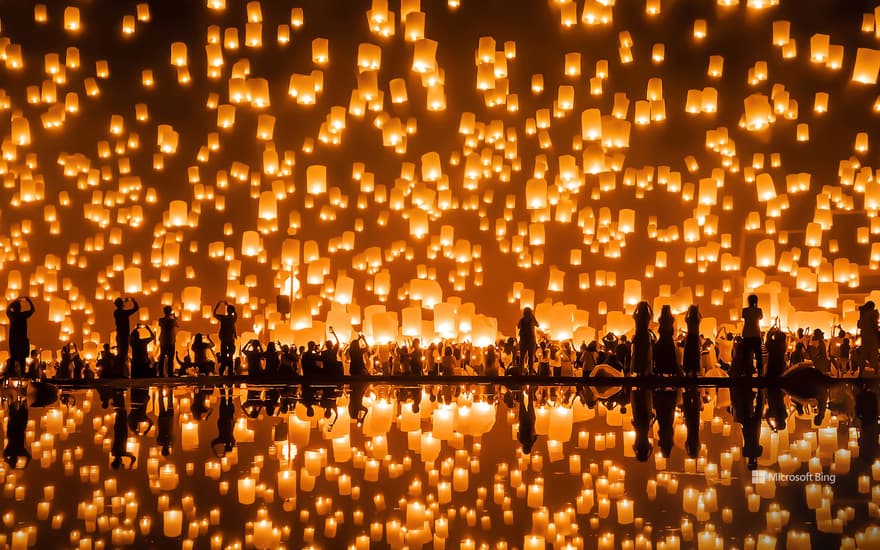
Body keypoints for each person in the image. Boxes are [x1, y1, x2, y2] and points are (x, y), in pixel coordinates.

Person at [6, 297, 35, 377]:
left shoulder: (12, 315)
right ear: (19, 308)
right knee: (21, 359)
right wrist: (29, 301)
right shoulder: (22, 315)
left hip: (15, 341)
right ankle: (21, 374)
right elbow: (33, 310)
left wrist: (15, 300)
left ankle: (12, 373)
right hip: (20, 341)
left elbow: (7, 309)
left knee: (14, 358)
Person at [113, 297, 139, 372]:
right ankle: (121, 371)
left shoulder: (116, 312)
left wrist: (124, 301)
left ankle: (120, 371)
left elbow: (118, 304)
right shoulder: (124, 313)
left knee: (120, 352)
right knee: (123, 353)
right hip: (124, 334)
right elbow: (136, 308)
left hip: (119, 334)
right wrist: (133, 300)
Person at [741, 294, 764, 375]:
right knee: (758, 355)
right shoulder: (759, 310)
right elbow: (761, 317)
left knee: (746, 356)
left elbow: (744, 317)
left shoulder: (745, 310)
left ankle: (747, 372)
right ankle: (760, 372)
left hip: (747, 335)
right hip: (756, 334)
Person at [214, 301, 237, 375]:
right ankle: (230, 371)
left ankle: (222, 372)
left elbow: (214, 314)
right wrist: (228, 305)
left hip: (224, 339)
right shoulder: (232, 319)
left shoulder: (223, 318)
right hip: (230, 339)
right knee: (230, 355)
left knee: (224, 356)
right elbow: (236, 314)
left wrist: (218, 304)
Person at [157, 306, 179, 377]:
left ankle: (161, 373)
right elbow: (177, 325)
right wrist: (174, 317)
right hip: (170, 340)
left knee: (162, 357)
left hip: (163, 340)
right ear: (170, 312)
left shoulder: (161, 320)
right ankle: (170, 373)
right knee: (170, 358)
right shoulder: (172, 321)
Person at [859, 301, 879, 373]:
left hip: (864, 336)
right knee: (874, 353)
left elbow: (860, 325)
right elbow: (875, 325)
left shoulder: (863, 314)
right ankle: (876, 370)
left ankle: (861, 370)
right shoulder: (872, 313)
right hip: (872, 336)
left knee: (864, 354)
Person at [517, 307, 539, 374]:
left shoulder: (523, 320)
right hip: (528, 340)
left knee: (524, 357)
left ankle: (523, 372)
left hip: (527, 340)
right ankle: (527, 372)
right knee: (527, 357)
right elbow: (537, 325)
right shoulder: (527, 320)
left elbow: (537, 325)